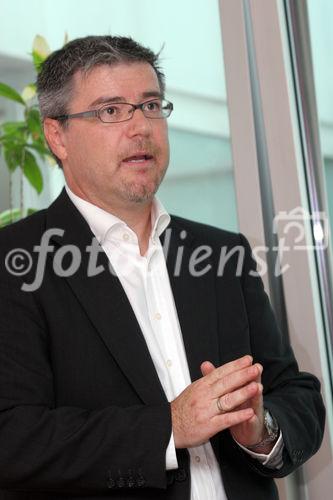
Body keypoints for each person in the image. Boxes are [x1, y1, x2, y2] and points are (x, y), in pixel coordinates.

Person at [0, 35, 325, 500]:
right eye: (111, 111)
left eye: (151, 105)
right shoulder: (15, 261)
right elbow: (13, 437)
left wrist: (261, 428)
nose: (141, 128)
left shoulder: (221, 253)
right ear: (57, 135)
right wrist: (168, 428)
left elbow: (295, 393)